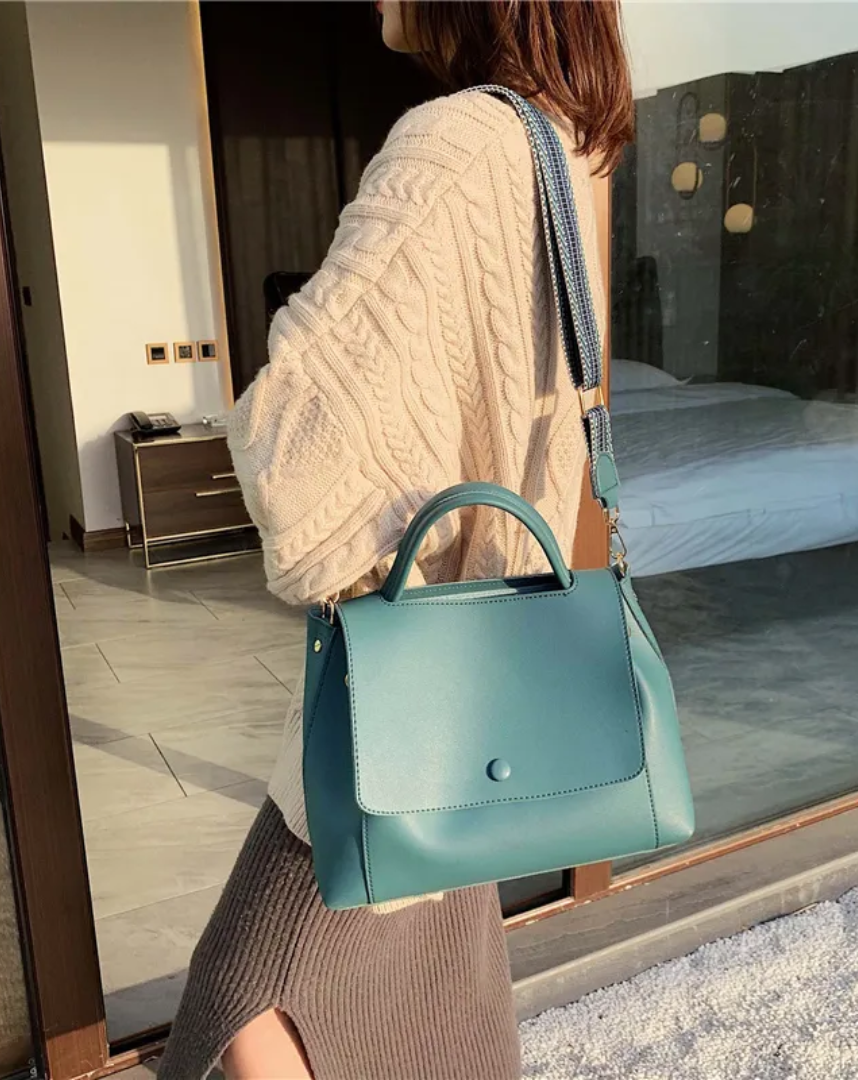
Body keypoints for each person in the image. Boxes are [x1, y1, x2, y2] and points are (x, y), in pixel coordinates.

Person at [158, 2, 632, 1077]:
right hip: (487, 676)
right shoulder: (561, 147)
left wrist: (359, 559)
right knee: (432, 1000)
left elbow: (295, 440)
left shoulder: (453, 142)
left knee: (244, 996)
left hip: (410, 686)